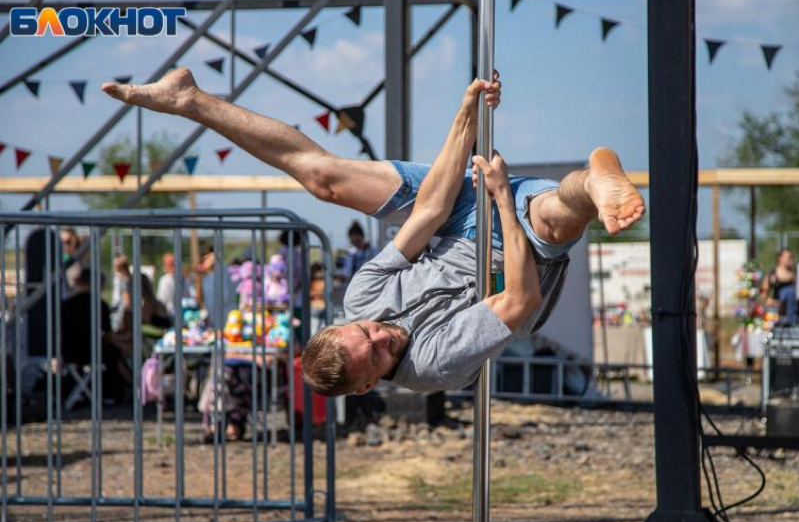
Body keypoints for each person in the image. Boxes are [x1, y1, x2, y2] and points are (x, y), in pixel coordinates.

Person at [102, 68, 644, 395]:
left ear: (345, 325)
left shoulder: (361, 301)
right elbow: (520, 300)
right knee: (552, 213)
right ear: (369, 385)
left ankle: (190, 99)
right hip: (514, 254)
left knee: (324, 179)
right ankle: (593, 184)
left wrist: (465, 118)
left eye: (365, 333)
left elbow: (428, 212)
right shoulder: (431, 366)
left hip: (451, 221)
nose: (382, 334)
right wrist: (502, 195)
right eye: (378, 353)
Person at [61, 267, 132, 402]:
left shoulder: (65, 304)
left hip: (67, 352)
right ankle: (124, 389)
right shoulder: (99, 304)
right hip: (89, 352)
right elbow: (108, 336)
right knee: (114, 353)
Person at [760, 248, 798, 325]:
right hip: (777, 310)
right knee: (789, 292)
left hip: (794, 308)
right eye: (789, 257)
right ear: (780, 258)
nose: (791, 260)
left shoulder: (795, 274)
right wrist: (771, 301)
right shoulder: (773, 274)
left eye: (792, 257)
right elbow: (763, 292)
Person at [156, 252, 193, 317]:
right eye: (170, 264)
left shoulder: (184, 279)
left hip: (186, 312)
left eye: (174, 264)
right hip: (171, 315)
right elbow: (162, 302)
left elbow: (191, 296)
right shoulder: (165, 280)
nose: (173, 267)